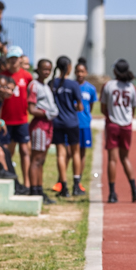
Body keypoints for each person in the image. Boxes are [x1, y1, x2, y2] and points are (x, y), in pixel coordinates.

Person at [100, 59, 136, 204]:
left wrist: (111, 116)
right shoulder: (132, 87)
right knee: (125, 158)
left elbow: (103, 108)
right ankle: (134, 191)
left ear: (115, 71)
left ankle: (112, 194)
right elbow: (133, 109)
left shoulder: (108, 86)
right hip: (126, 126)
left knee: (112, 159)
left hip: (112, 124)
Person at [49, 56, 84, 197]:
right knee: (75, 152)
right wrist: (72, 107)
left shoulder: (51, 84)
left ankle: (63, 186)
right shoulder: (73, 85)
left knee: (61, 154)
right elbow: (80, 106)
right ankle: (76, 184)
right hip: (72, 122)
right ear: (69, 67)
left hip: (57, 122)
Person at [0, 46, 33, 189]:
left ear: (20, 59)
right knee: (7, 151)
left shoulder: (27, 76)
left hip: (22, 119)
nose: (13, 61)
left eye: (16, 58)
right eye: (11, 58)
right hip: (6, 120)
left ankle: (27, 182)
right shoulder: (2, 76)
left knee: (25, 150)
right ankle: (9, 180)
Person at [27, 59, 59, 204]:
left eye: (49, 70)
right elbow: (32, 109)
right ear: (38, 69)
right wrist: (46, 113)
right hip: (39, 125)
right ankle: (34, 190)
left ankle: (40, 190)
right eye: (44, 69)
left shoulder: (45, 86)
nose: (46, 72)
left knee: (42, 159)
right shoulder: (34, 86)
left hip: (48, 125)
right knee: (36, 159)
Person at [75, 58, 97, 170]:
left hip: (84, 124)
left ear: (86, 72)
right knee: (70, 152)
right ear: (74, 72)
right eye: (78, 71)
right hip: (72, 124)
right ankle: (62, 179)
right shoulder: (72, 86)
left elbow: (91, 106)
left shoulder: (90, 89)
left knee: (82, 152)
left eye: (82, 71)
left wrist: (86, 116)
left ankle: (79, 178)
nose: (80, 74)